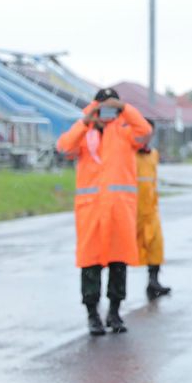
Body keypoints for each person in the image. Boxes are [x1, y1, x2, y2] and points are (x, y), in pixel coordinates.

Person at [56, 89, 153, 337]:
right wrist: (86, 121)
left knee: (118, 262)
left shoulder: (125, 131)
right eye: (103, 106)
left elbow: (145, 132)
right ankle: (92, 314)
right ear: (94, 106)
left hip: (120, 209)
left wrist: (125, 109)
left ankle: (114, 311)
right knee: (90, 263)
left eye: (112, 107)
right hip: (91, 210)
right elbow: (64, 148)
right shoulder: (84, 132)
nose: (107, 112)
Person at [136, 124, 171, 299]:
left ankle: (153, 281)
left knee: (156, 246)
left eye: (149, 133)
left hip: (150, 209)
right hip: (131, 210)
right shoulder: (128, 155)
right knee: (118, 252)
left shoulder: (153, 154)